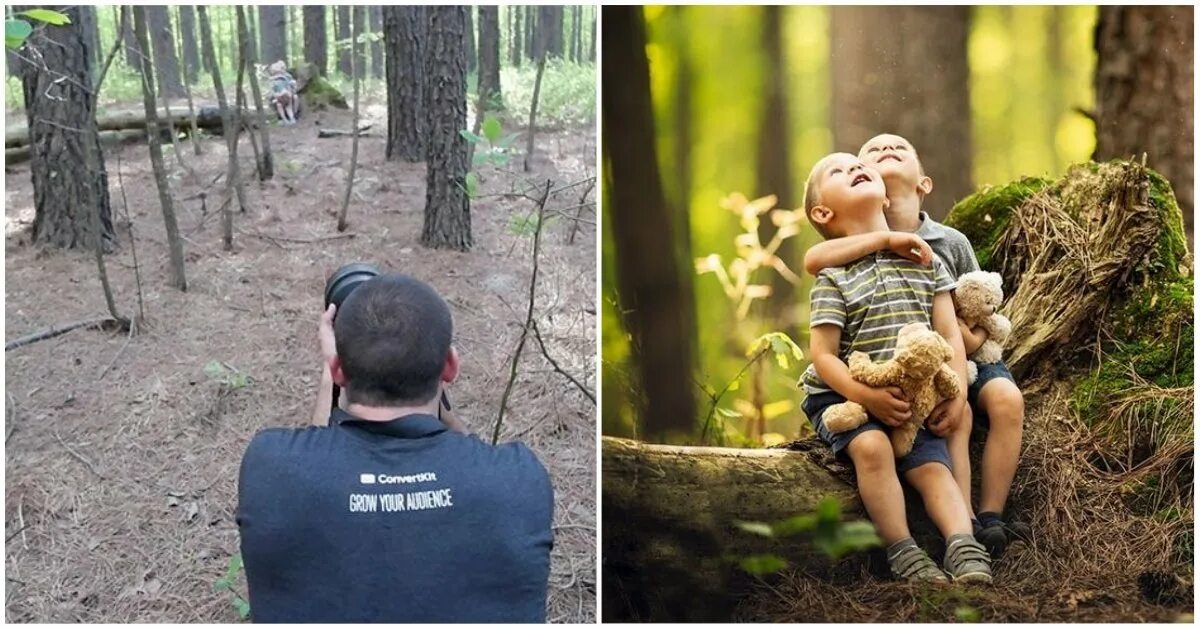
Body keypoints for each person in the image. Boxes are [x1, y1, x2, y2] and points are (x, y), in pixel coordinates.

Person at [237, 273, 554, 622]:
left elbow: (314, 457)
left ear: (339, 369)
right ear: (450, 366)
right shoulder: (519, 479)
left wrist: (332, 373)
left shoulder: (269, 467)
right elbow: (470, 455)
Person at [803, 133, 1028, 556]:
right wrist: (886, 241)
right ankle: (958, 525)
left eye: (900, 148)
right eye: (869, 153)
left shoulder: (947, 244)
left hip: (959, 359)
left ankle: (986, 519)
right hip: (897, 363)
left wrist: (961, 375)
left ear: (923, 183)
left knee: (997, 403)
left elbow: (971, 310)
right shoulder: (849, 257)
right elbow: (815, 262)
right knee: (935, 432)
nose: (883, 151)